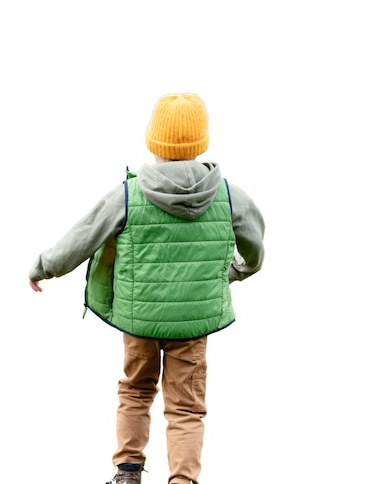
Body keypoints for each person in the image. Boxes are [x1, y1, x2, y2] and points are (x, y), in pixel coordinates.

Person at [29, 93, 265, 484]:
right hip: (193, 325)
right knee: (187, 408)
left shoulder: (127, 194)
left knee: (136, 392)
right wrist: (238, 271)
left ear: (153, 142)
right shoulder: (228, 196)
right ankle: (183, 480)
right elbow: (254, 246)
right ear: (200, 142)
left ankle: (127, 473)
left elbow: (82, 237)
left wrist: (43, 267)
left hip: (139, 321)